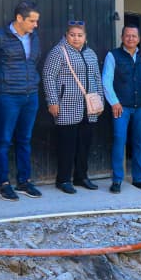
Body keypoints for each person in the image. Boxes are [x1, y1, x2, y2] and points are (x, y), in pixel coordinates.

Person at [0, 2, 42, 201]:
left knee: (25, 139)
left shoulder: (34, 37)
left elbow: (34, 62)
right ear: (19, 18)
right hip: (7, 96)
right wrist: (1, 86)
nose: (35, 25)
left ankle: (24, 181)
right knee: (4, 140)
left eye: (36, 21)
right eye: (32, 21)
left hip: (30, 95)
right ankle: (3, 184)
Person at [42, 21, 105, 193]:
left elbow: (97, 77)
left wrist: (100, 100)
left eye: (80, 35)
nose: (76, 38)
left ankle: (81, 177)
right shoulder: (58, 52)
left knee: (84, 144)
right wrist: (52, 101)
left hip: (89, 107)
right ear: (66, 35)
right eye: (72, 35)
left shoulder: (90, 53)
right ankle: (63, 180)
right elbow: (48, 77)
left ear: (85, 37)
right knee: (67, 145)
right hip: (66, 105)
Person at [103, 24, 141, 193]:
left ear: (139, 39)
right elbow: (106, 81)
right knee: (119, 140)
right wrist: (114, 102)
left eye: (134, 36)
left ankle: (139, 179)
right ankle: (117, 180)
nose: (130, 38)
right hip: (121, 106)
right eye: (127, 35)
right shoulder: (113, 55)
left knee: (139, 142)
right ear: (122, 37)